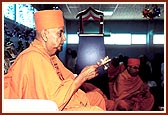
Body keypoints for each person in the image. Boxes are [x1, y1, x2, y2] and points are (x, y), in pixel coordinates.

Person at [4, 9, 106, 111]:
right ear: (45, 35)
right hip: (52, 107)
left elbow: (68, 78)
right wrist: (82, 77)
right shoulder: (34, 57)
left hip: (63, 99)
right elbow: (54, 102)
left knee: (97, 98)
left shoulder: (50, 56)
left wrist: (85, 74)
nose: (64, 38)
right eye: (60, 33)